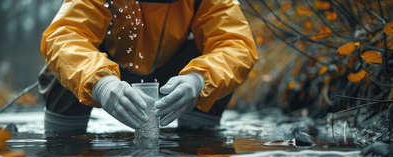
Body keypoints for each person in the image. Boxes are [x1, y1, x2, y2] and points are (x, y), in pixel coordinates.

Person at [40, 0, 257, 134]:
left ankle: (200, 152)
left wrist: (199, 79)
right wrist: (101, 83)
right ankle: (65, 153)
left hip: (181, 75)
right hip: (108, 69)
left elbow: (235, 44)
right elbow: (66, 36)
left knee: (214, 72)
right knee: (63, 69)